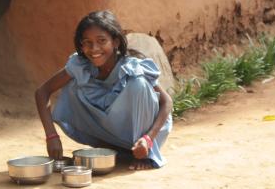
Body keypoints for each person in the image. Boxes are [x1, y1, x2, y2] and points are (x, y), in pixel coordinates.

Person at [35, 10, 173, 170]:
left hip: (145, 137)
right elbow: (42, 92)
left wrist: (148, 139)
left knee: (138, 85)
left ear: (115, 42)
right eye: (87, 42)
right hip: (110, 132)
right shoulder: (80, 65)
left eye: (101, 41)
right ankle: (112, 147)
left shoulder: (131, 67)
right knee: (73, 85)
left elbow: (167, 102)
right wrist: (51, 136)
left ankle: (144, 154)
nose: (94, 49)